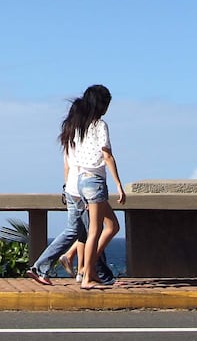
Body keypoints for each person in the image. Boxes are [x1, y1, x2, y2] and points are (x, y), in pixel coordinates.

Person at [64, 83, 125, 290]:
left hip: (81, 181)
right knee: (96, 230)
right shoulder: (99, 125)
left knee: (112, 226)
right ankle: (87, 275)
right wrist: (118, 184)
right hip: (95, 181)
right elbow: (106, 155)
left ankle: (87, 270)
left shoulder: (80, 126)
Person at [25, 150, 115, 286]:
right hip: (83, 191)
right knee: (94, 231)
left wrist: (66, 188)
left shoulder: (69, 139)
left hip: (71, 190)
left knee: (77, 231)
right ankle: (97, 273)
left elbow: (66, 166)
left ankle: (42, 267)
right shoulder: (84, 137)